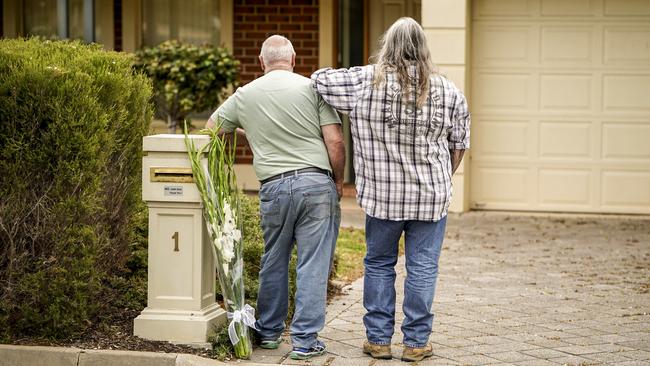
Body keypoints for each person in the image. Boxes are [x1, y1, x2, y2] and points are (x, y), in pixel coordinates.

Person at [311, 17, 470, 362]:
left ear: (388, 46)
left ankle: (379, 341)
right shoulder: (449, 90)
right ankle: (416, 344)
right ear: (424, 49)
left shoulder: (364, 82)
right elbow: (459, 147)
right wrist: (441, 176)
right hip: (431, 198)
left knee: (380, 264)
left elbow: (319, 80)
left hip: (382, 199)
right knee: (423, 267)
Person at [206, 35, 344, 360]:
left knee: (274, 258)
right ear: (294, 60)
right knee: (312, 263)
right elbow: (335, 141)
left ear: (261, 61)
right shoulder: (313, 88)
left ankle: (268, 333)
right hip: (316, 183)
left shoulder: (244, 95)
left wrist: (249, 130)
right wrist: (338, 181)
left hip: (275, 187)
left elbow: (212, 129)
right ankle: (305, 342)